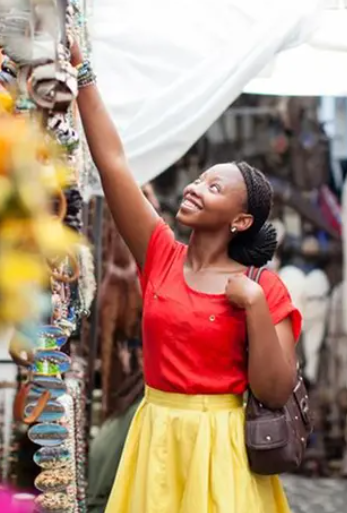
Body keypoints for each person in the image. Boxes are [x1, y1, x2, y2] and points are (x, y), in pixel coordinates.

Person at [72, 46, 302, 513]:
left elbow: (275, 391)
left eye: (214, 187)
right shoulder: (159, 254)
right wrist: (82, 73)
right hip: (156, 435)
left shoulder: (265, 288)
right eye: (199, 179)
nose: (196, 187)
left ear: (240, 221)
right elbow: (113, 163)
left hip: (224, 447)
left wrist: (255, 305)